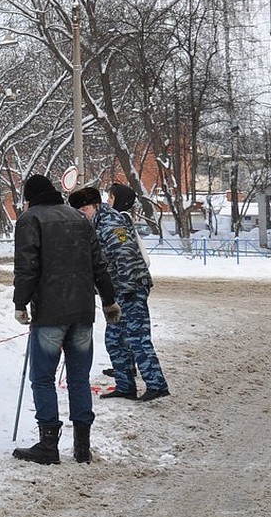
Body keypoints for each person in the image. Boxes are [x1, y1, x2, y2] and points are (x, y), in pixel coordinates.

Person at [13, 174, 120, 465]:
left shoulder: (30, 220)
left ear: (30, 198)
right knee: (79, 378)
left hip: (50, 312)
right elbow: (99, 264)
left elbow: (27, 268)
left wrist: (20, 303)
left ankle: (48, 445)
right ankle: (82, 447)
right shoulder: (79, 218)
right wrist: (108, 300)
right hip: (83, 311)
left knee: (43, 378)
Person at [69, 185, 171, 403]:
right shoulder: (96, 223)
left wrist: (121, 291)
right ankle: (125, 386)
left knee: (136, 337)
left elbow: (124, 255)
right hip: (119, 291)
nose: (82, 215)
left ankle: (156, 384)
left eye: (84, 210)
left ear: (96, 206)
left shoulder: (110, 223)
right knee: (115, 340)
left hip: (130, 287)